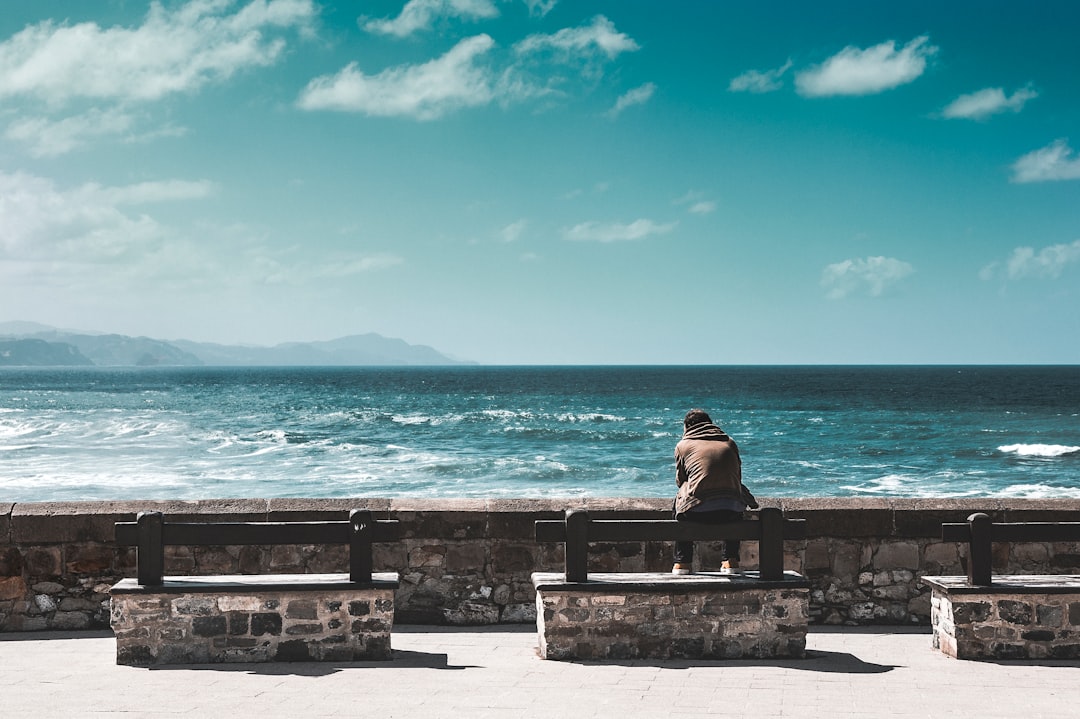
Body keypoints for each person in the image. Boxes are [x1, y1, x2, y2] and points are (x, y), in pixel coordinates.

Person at [672, 408, 754, 575]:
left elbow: (680, 481)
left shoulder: (683, 445)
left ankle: (682, 562)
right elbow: (737, 476)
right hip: (730, 512)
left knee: (679, 500)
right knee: (733, 494)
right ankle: (730, 560)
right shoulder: (729, 442)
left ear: (687, 427)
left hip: (697, 513)